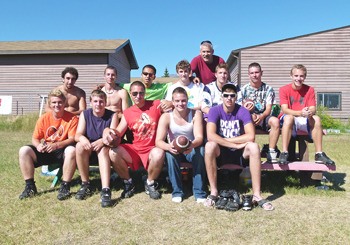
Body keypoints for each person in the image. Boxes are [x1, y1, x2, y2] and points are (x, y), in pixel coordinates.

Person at [204, 83, 274, 211]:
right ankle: (214, 192)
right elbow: (210, 136)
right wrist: (232, 144)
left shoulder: (243, 111)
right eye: (226, 95)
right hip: (222, 152)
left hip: (240, 153)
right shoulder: (214, 111)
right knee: (209, 146)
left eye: (232, 95)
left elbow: (250, 136)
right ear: (221, 97)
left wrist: (228, 141)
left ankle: (257, 194)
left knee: (253, 147)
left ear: (236, 97)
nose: (229, 98)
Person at [109, 81, 166, 200]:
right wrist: (109, 133)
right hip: (135, 150)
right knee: (113, 152)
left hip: (151, 148)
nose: (138, 96)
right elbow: (119, 131)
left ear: (145, 93)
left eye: (141, 93)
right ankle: (129, 183)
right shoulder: (128, 112)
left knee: (159, 153)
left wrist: (170, 103)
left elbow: (171, 104)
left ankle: (149, 183)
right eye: (135, 93)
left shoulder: (156, 105)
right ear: (130, 94)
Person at [18, 89, 78, 200]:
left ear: (64, 103)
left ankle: (65, 186)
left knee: (71, 150)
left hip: (63, 150)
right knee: (24, 150)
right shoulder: (43, 118)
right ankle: (30, 187)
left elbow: (72, 139)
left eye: (60, 102)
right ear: (50, 104)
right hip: (46, 149)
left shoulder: (72, 118)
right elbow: (35, 138)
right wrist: (38, 146)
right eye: (54, 102)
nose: (57, 105)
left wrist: (57, 145)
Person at [156, 87, 207, 203]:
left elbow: (199, 137)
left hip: (191, 147)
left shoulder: (196, 114)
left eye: (183, 100)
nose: (181, 103)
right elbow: (158, 141)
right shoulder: (166, 117)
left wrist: (191, 145)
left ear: (187, 100)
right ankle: (177, 191)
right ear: (173, 102)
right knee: (169, 155)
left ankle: (199, 192)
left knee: (200, 152)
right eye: (177, 101)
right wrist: (169, 147)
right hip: (175, 148)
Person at [278, 64, 335, 165]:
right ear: (291, 76)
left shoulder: (310, 89)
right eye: (296, 76)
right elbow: (285, 109)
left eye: (301, 76)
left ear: (305, 77)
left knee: (316, 118)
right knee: (289, 118)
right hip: (290, 118)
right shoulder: (284, 89)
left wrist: (309, 113)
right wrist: (300, 113)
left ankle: (319, 154)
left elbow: (313, 108)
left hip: (304, 118)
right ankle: (284, 152)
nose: (298, 78)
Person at [74, 90, 118, 208]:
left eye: (101, 101)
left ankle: (105, 190)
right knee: (79, 146)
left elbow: (113, 136)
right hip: (89, 147)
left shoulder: (112, 115)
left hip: (104, 147)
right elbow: (77, 134)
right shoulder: (85, 114)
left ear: (105, 102)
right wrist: (82, 139)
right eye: (95, 101)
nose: (98, 104)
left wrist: (102, 141)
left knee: (103, 151)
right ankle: (85, 184)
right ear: (90, 102)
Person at [237, 62, 280, 163]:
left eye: (257, 72)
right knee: (241, 121)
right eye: (252, 73)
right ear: (248, 74)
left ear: (261, 73)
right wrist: (249, 113)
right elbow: (239, 107)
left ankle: (271, 151)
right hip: (248, 117)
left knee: (275, 121)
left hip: (264, 116)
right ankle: (247, 153)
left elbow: (269, 108)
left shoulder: (268, 89)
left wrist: (261, 116)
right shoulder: (243, 90)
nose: (254, 75)